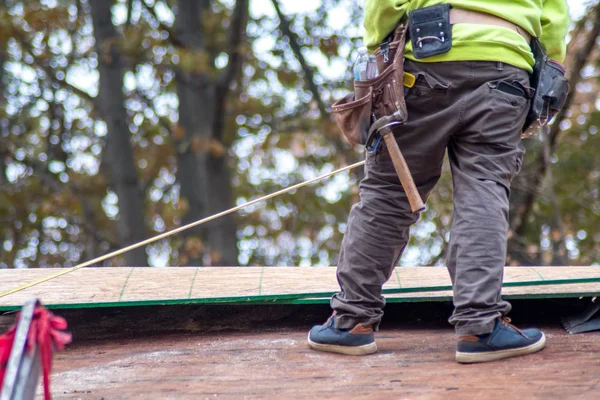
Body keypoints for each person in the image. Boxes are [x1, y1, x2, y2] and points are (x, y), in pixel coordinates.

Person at [308, 0, 570, 363]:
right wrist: (549, 63)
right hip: (507, 71)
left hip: (427, 59)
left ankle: (351, 321)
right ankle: (480, 327)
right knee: (485, 187)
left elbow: (385, 6)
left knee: (388, 193)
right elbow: (554, 22)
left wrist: (376, 48)